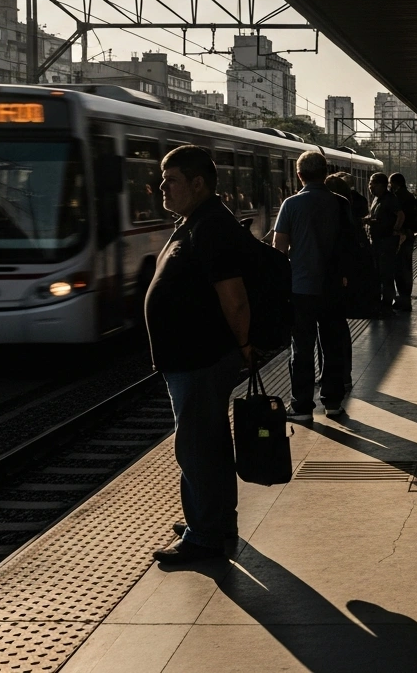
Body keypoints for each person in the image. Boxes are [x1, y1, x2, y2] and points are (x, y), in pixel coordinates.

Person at [144, 145, 250, 564]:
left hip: (201, 356)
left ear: (198, 183)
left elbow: (235, 299)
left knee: (195, 447)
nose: (161, 188)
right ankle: (215, 518)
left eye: (170, 180)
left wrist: (244, 346)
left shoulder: (211, 228)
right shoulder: (196, 221)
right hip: (193, 356)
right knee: (210, 441)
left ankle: (203, 535)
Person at [273, 150, 351, 420]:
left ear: (299, 175)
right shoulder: (341, 203)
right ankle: (332, 403)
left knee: (301, 348)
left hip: (301, 287)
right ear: (326, 172)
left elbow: (279, 248)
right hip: (333, 287)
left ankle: (302, 407)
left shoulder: (291, 205)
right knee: (332, 344)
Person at [365, 172, 405, 315]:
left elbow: (400, 215)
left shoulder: (390, 199)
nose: (370, 187)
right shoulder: (377, 199)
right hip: (377, 242)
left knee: (386, 274)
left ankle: (387, 305)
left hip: (386, 242)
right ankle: (382, 303)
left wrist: (395, 230)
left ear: (381, 185)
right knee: (379, 273)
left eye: (372, 184)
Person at [388, 173, 417, 313]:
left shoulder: (398, 197)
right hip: (408, 234)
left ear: (395, 183)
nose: (389, 185)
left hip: (402, 236)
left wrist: (396, 230)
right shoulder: (408, 195)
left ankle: (404, 300)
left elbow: (400, 216)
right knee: (405, 268)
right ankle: (404, 299)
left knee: (401, 269)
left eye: (390, 183)